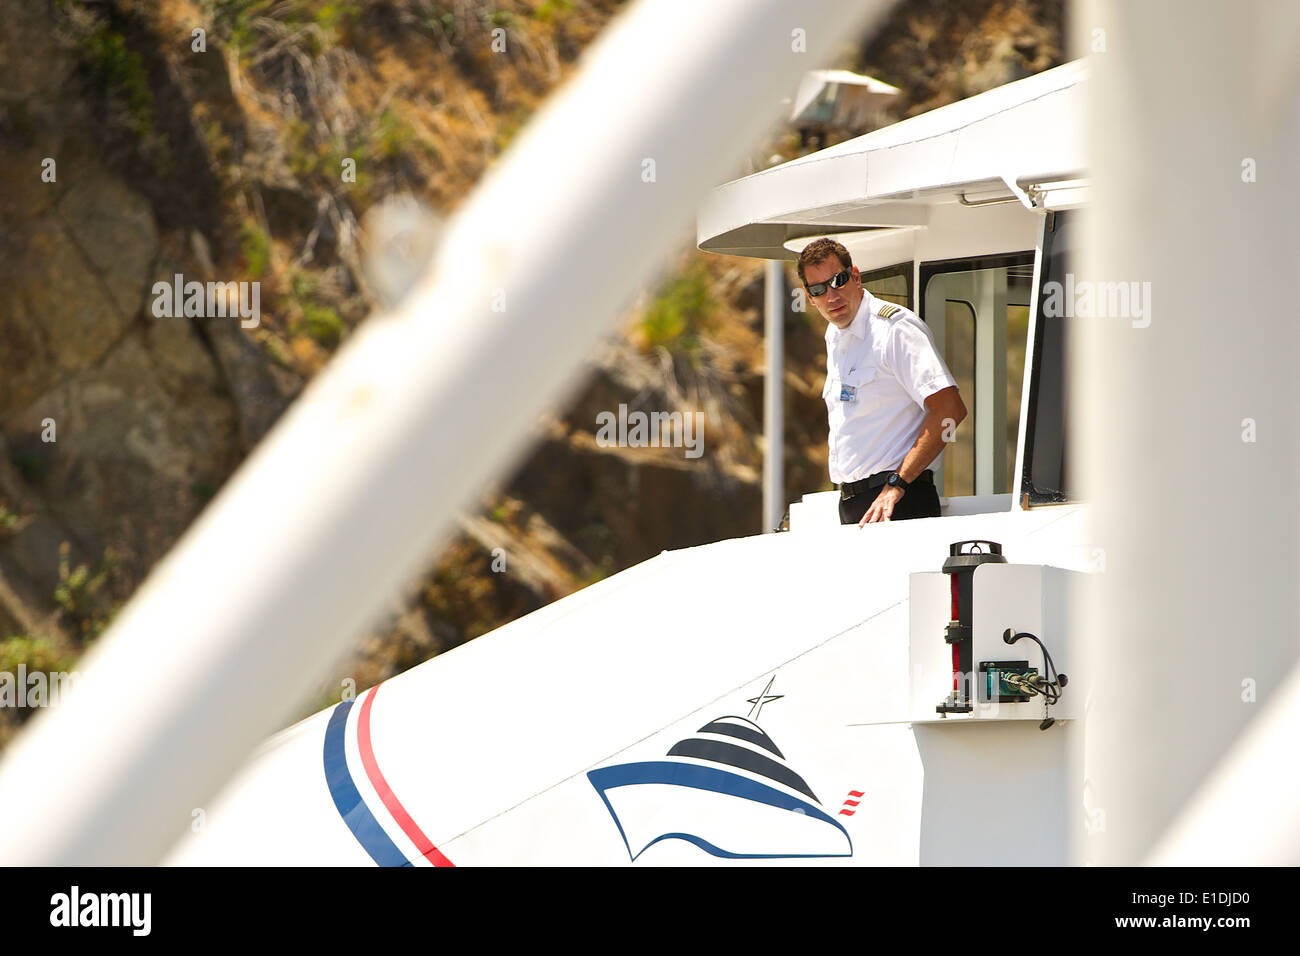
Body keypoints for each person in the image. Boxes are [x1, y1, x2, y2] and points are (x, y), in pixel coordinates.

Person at [797, 238, 967, 526]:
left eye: (838, 280)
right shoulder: (835, 335)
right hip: (856, 505)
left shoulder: (894, 329)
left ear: (856, 276)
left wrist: (897, 483)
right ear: (809, 296)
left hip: (899, 501)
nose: (832, 295)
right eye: (819, 289)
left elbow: (950, 409)